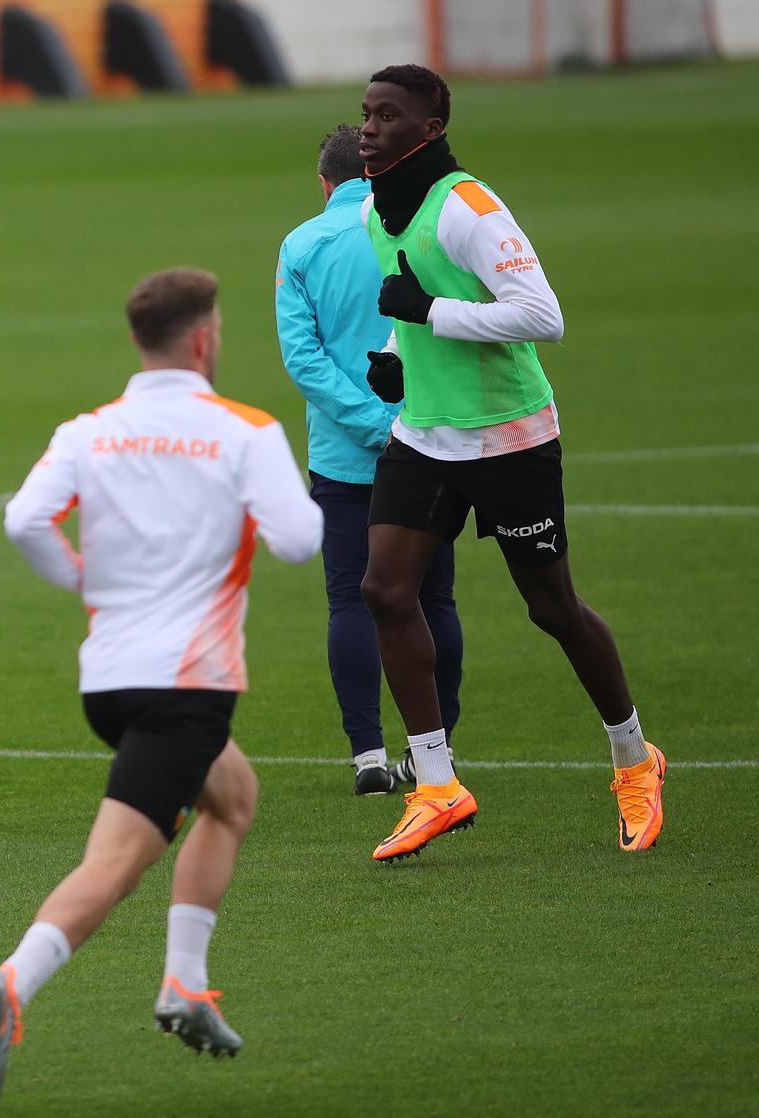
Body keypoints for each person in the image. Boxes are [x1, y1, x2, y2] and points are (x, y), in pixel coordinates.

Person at [0, 269, 322, 1103]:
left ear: (139, 341)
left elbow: (23, 520)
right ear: (203, 340)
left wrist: (83, 578)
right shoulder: (245, 431)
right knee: (120, 860)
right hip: (186, 681)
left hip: (111, 678)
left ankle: (184, 986)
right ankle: (13, 980)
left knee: (232, 796)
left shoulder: (91, 430)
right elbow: (300, 543)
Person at [354, 64, 664, 861]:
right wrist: (396, 351)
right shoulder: (375, 208)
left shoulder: (468, 207)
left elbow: (540, 315)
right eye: (365, 113)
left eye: (388, 116)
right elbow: (410, 297)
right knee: (385, 591)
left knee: (552, 608)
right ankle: (437, 785)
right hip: (424, 433)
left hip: (508, 436)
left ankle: (635, 760)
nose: (369, 126)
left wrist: (428, 314)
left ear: (429, 128)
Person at [275, 123, 463, 796]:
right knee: (432, 595)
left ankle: (367, 758)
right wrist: (397, 422)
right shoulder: (420, 229)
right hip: (429, 437)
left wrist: (364, 423)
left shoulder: (302, 245)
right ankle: (434, 752)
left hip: (343, 456)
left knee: (351, 601)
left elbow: (304, 359)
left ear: (324, 183)